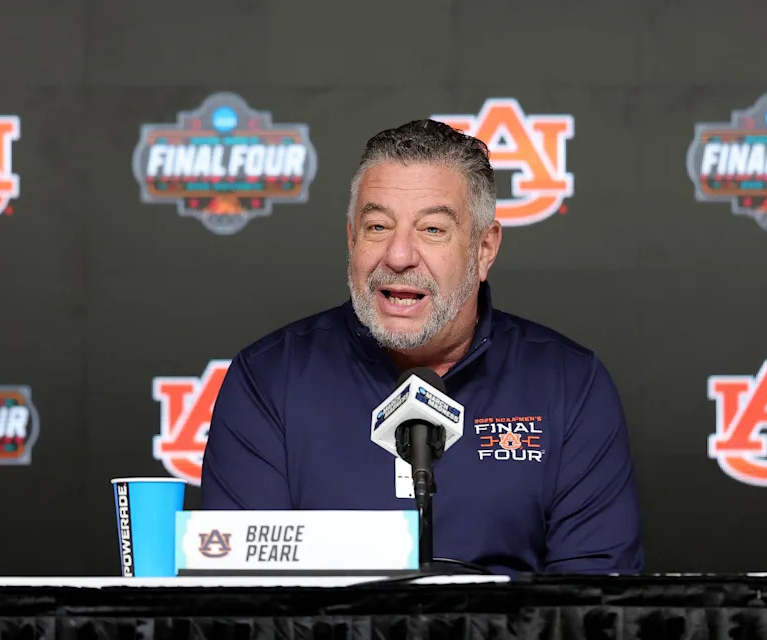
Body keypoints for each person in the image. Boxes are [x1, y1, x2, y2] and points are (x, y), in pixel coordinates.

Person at [201, 119, 644, 575]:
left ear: (484, 249)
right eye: (377, 226)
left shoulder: (570, 384)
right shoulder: (269, 380)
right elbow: (243, 594)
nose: (398, 256)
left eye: (432, 229)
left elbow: (594, 601)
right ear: (351, 239)